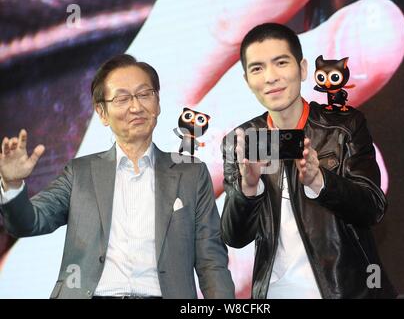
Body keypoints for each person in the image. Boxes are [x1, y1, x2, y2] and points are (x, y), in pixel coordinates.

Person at [0, 54, 235, 299]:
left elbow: (211, 261)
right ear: (102, 112)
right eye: (122, 98)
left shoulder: (191, 174)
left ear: (158, 103)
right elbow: (28, 222)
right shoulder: (80, 173)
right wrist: (13, 184)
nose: (136, 106)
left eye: (145, 94)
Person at [220, 23, 397, 299]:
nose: (270, 77)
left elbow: (373, 208)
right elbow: (235, 236)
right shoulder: (241, 142)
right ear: (247, 81)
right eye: (257, 68)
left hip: (346, 290)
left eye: (281, 63)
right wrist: (249, 187)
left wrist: (320, 180)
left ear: (302, 69)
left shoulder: (344, 127)